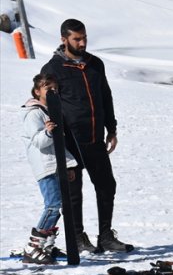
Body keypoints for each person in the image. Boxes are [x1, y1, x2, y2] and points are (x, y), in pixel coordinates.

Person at [40, 18, 131, 254]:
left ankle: (106, 236)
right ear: (64, 39)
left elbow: (105, 97)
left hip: (94, 137)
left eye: (84, 38)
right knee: (74, 192)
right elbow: (45, 104)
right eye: (76, 39)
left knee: (106, 185)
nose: (82, 43)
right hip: (69, 140)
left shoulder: (95, 64)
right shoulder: (53, 69)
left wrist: (111, 128)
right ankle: (77, 237)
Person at [21, 73, 78, 264]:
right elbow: (38, 142)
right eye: (48, 88)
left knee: (59, 206)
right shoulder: (34, 114)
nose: (52, 91)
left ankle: (47, 246)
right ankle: (33, 247)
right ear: (37, 91)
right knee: (53, 206)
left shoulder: (50, 111)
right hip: (45, 167)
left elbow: (59, 144)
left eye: (55, 88)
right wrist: (48, 131)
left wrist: (67, 166)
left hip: (55, 165)